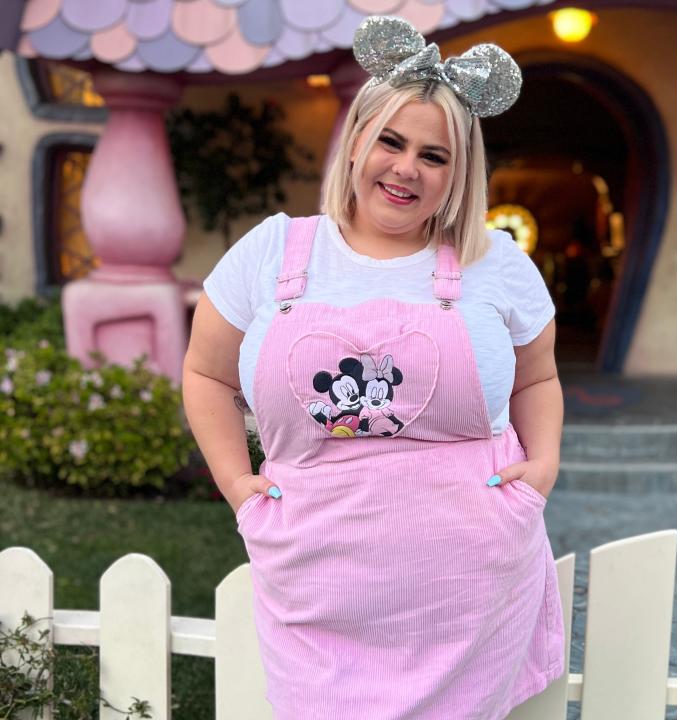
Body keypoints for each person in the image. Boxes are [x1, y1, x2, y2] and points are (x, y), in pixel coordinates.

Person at [182, 15, 564, 720]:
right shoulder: (272, 252)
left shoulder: (497, 265)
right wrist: (238, 485)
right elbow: (206, 376)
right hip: (315, 588)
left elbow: (538, 377)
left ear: (459, 173)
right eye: (390, 140)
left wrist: (542, 470)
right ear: (355, 139)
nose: (406, 168)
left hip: (469, 595)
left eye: (434, 155)